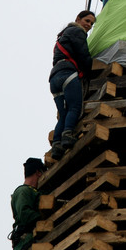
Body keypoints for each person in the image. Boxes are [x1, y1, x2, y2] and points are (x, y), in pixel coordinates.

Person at [49, 10, 95, 160]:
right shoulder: (77, 31)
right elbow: (83, 55)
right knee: (74, 107)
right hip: (68, 74)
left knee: (63, 113)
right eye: (87, 21)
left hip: (54, 78)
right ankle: (68, 135)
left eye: (91, 23)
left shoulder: (63, 36)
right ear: (78, 19)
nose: (89, 25)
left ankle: (57, 145)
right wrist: (89, 71)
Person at [9, 157, 46, 250]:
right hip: (25, 239)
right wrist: (44, 219)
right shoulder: (23, 191)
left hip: (30, 237)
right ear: (38, 172)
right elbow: (24, 214)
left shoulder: (32, 191)